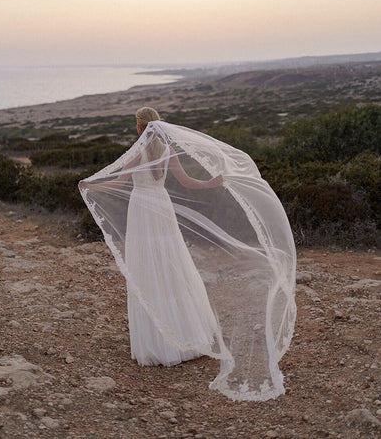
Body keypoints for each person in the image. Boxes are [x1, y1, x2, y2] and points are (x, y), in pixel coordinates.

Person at [79, 107, 296, 401]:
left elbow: (118, 183)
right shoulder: (167, 151)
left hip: (142, 210)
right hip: (162, 208)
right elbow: (187, 182)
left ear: (140, 127)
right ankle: (188, 337)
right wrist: (210, 183)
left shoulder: (136, 152)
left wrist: (91, 185)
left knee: (149, 268)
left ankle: (159, 343)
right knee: (171, 265)